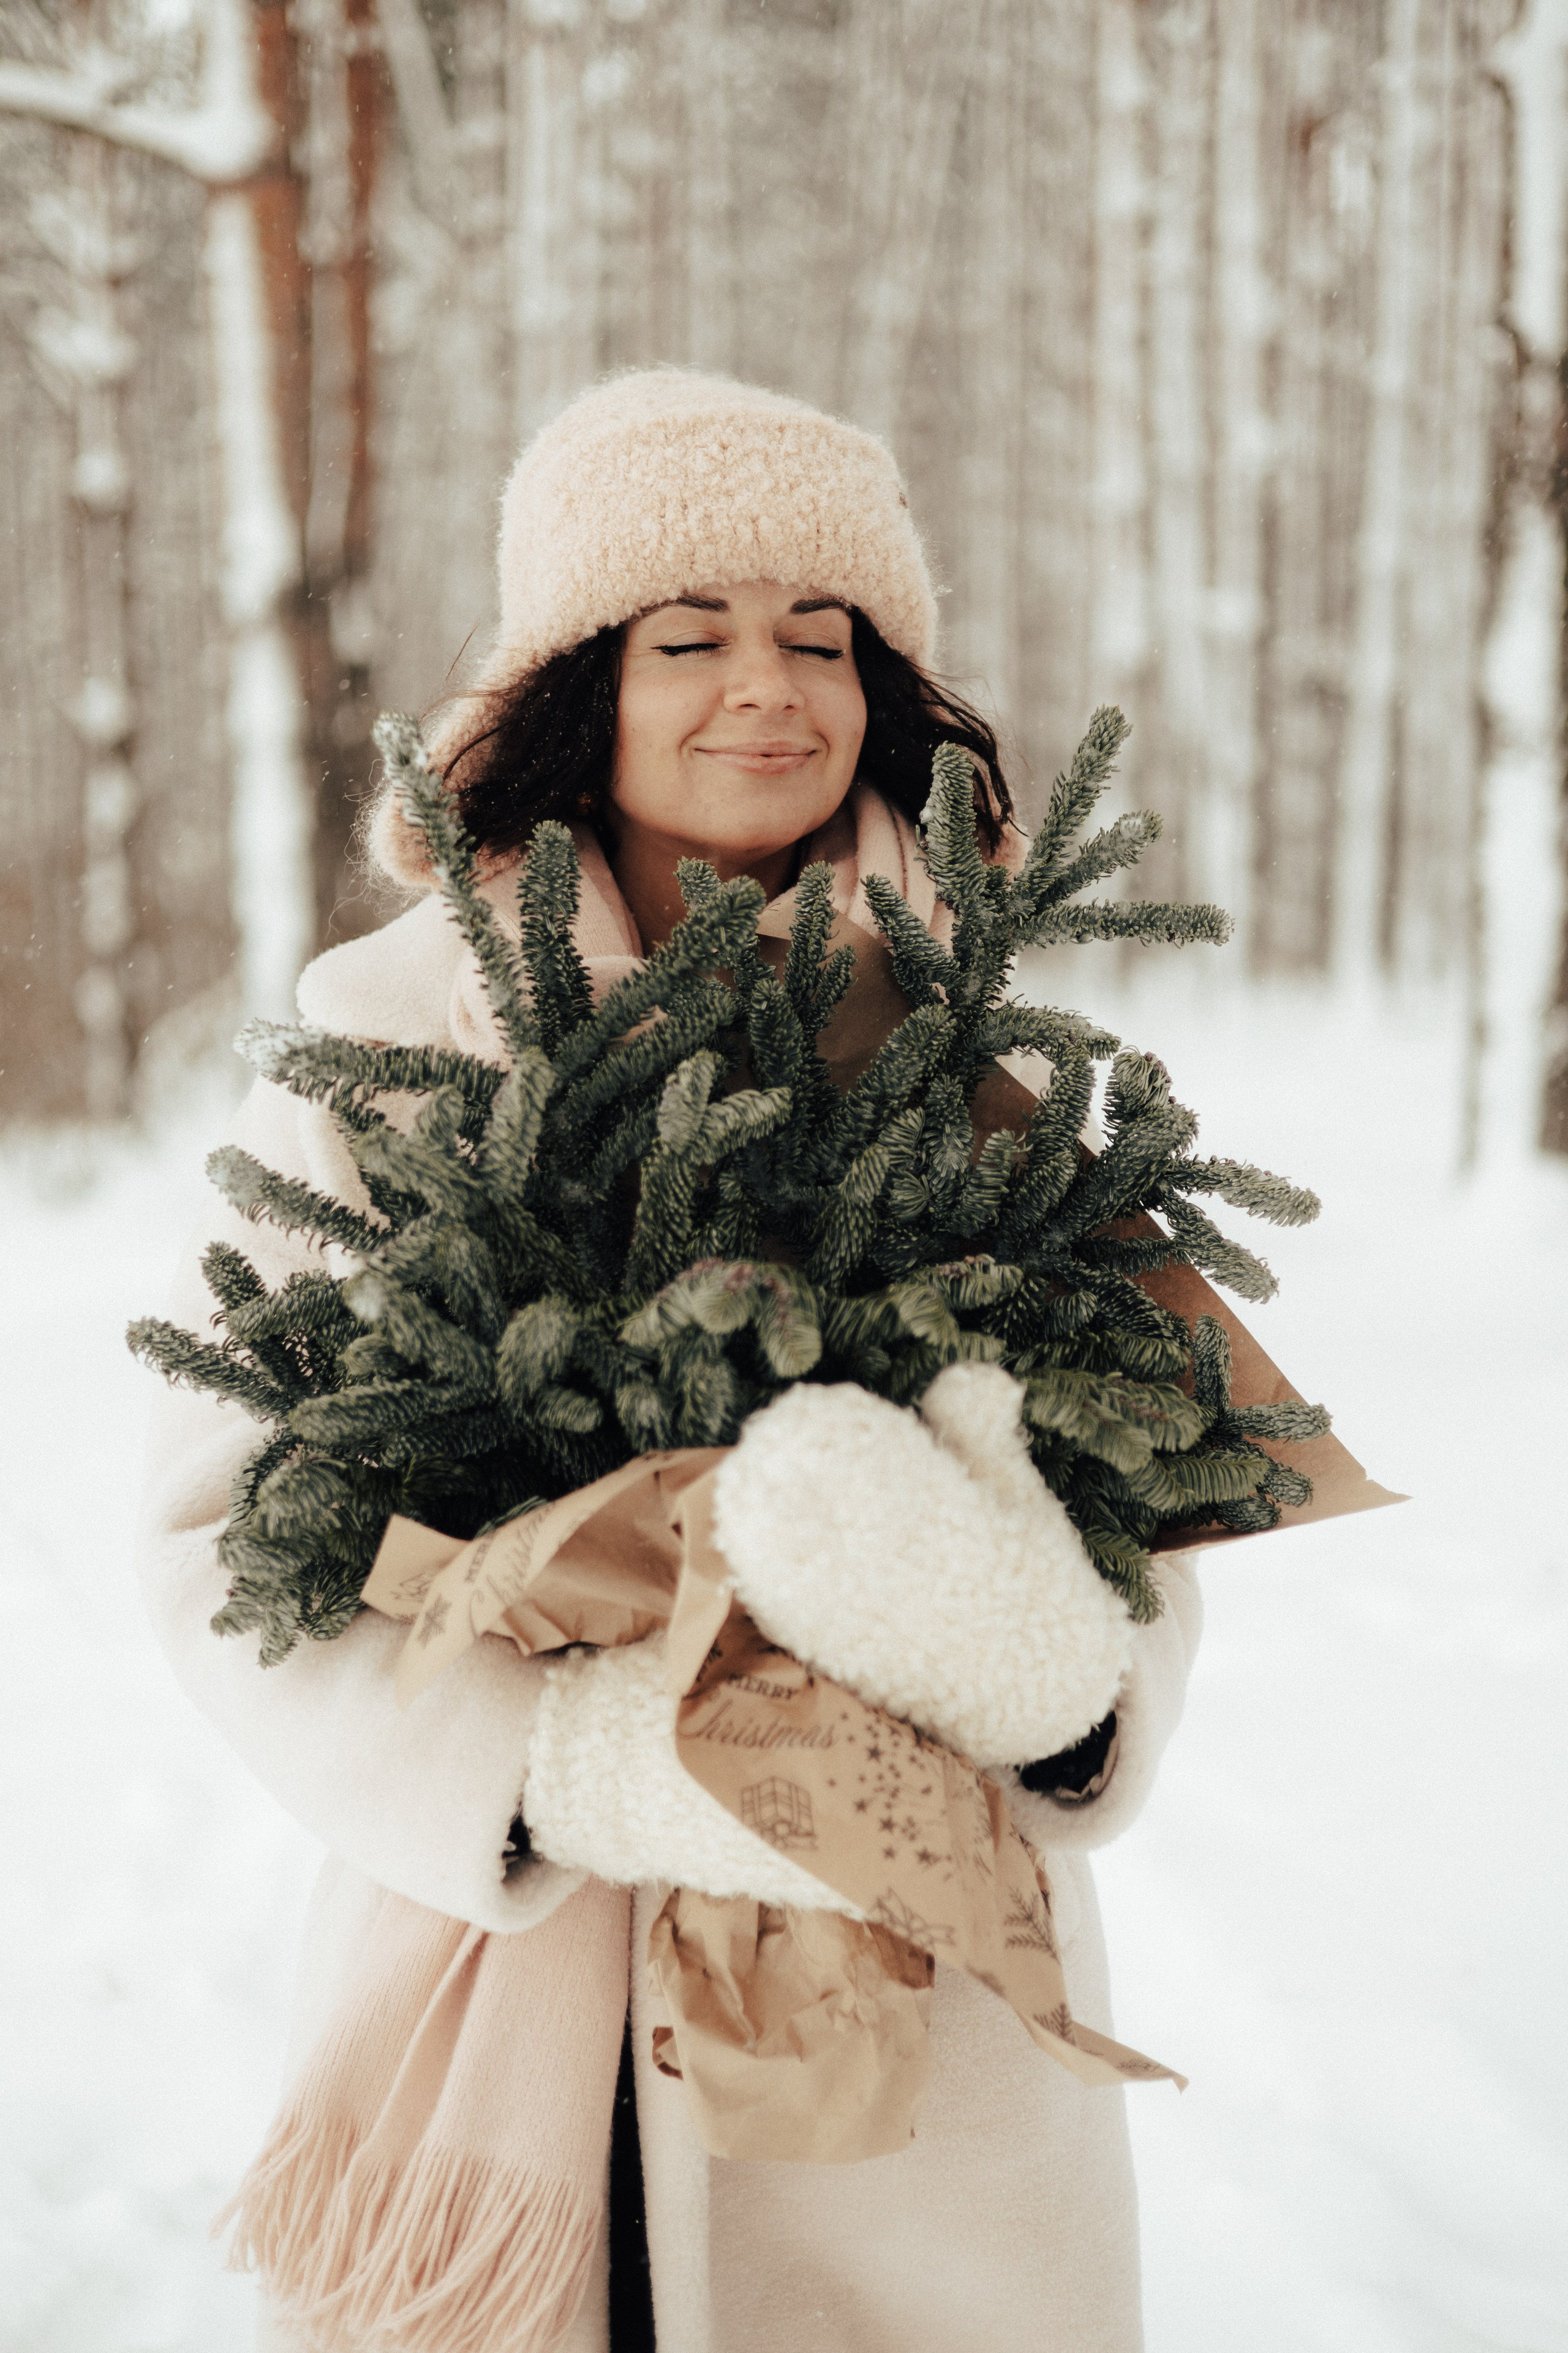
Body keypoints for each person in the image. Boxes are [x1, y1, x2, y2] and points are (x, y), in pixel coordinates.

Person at [138, 369, 1202, 2353]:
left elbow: (1155, 1500)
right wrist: (563, 1779)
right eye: (687, 636)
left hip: (916, 2009)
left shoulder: (991, 1068)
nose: (766, 689)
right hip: (502, 1987)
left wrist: (1048, 1677)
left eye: (823, 637)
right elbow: (231, 1536)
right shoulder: (390, 1054)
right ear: (572, 687)